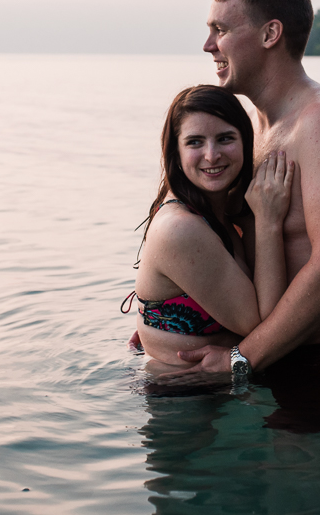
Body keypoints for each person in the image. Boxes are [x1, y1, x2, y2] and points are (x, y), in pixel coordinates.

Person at [162, 0, 320, 410]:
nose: (208, 45)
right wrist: (176, 317)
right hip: (273, 355)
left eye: (221, 29)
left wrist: (240, 360)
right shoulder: (249, 130)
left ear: (270, 34)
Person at [124, 84, 296, 372]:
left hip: (213, 397)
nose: (212, 154)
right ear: (175, 152)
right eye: (194, 142)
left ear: (245, 142)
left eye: (225, 138)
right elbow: (263, 326)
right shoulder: (181, 228)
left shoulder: (215, 209)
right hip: (183, 401)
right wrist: (268, 220)